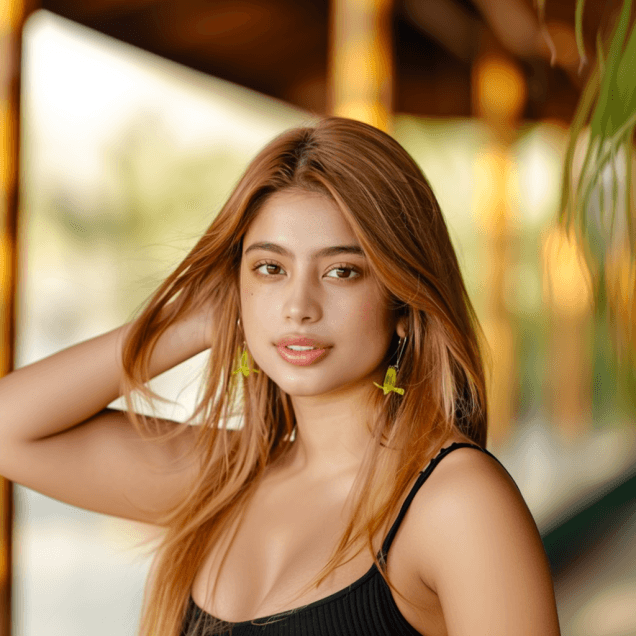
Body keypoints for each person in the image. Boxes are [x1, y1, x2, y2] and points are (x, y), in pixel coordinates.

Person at [0, 117, 561, 636]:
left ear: (404, 302)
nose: (298, 306)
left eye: (342, 271)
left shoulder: (457, 501)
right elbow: (10, 428)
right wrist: (200, 321)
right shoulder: (224, 482)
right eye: (270, 268)